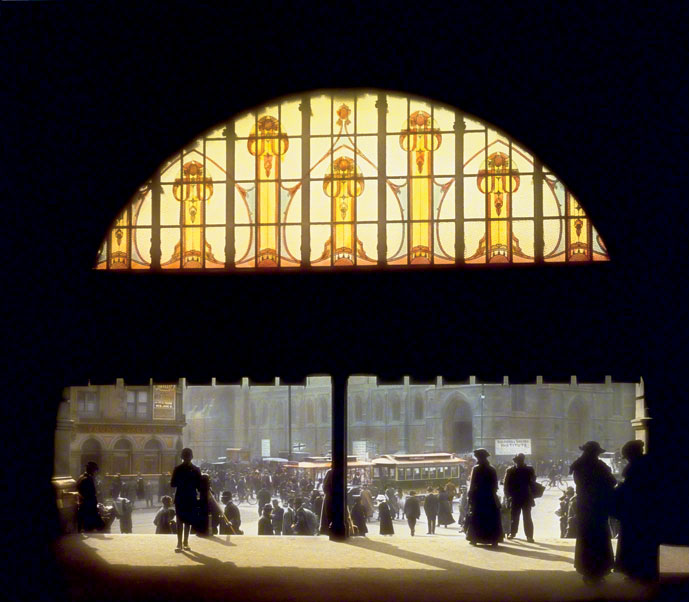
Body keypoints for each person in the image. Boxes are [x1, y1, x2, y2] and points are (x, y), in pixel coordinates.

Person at [570, 441, 617, 584]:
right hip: (598, 505)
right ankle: (598, 569)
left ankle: (585, 567)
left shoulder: (577, 466)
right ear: (595, 453)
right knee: (600, 537)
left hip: (584, 505)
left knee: (585, 537)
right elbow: (612, 481)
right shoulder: (600, 466)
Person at [612, 440, 659, 582]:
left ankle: (635, 571)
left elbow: (632, 488)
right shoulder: (647, 463)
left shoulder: (635, 466)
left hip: (635, 509)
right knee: (645, 541)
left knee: (634, 540)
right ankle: (644, 571)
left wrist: (619, 490)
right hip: (645, 508)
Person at [465, 448, 503, 547]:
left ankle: (475, 538)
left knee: (477, 517)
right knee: (492, 518)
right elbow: (495, 486)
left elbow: (472, 484)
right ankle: (494, 539)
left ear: (479, 458)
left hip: (478, 497)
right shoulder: (492, 469)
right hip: (490, 497)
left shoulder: (476, 469)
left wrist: (470, 495)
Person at [171, 447, 201, 552]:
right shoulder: (196, 469)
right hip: (191, 497)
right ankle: (185, 542)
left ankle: (179, 543)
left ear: (181, 457)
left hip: (180, 497)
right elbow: (199, 486)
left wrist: (182, 482)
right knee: (187, 521)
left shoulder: (177, 469)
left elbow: (172, 484)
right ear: (192, 457)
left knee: (180, 521)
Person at [504, 453, 536, 542]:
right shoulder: (528, 469)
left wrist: (507, 496)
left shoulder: (511, 470)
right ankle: (525, 535)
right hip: (520, 496)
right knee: (519, 516)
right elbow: (506, 485)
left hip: (520, 496)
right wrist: (507, 496)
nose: (519, 462)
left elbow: (506, 485)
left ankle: (517, 533)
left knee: (520, 516)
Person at [76, 461, 105, 532]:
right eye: (95, 471)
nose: (95, 473)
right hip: (88, 505)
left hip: (83, 503)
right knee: (96, 526)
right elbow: (91, 494)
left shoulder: (81, 477)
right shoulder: (88, 479)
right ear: (92, 470)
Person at [319, 468, 333, 534]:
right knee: (328, 514)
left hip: (330, 496)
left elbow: (324, 486)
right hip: (330, 497)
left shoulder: (330, 472)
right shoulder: (330, 472)